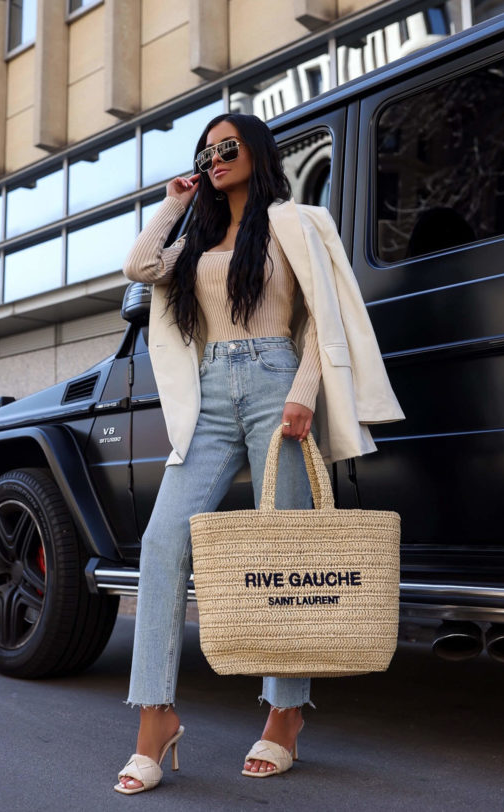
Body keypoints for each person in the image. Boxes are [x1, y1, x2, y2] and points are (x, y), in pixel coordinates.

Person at [116, 113, 404, 795]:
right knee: (163, 544)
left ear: (256, 152)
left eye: (227, 148)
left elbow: (320, 316)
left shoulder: (294, 222)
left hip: (279, 381)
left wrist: (304, 393)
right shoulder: (196, 237)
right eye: (206, 151)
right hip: (211, 391)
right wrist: (175, 201)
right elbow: (139, 266)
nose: (215, 158)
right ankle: (155, 717)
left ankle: (284, 714)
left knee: (288, 552)